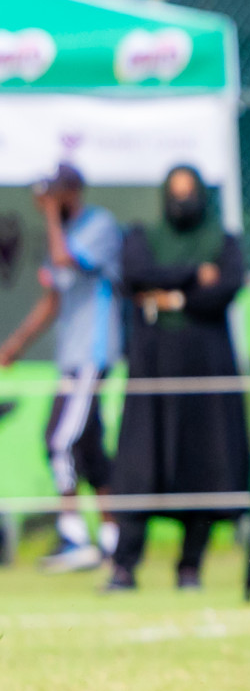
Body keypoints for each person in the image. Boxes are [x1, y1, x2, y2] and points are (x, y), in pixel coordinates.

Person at [105, 166, 249, 591]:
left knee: (202, 464)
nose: (182, 202)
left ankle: (190, 567)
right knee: (139, 465)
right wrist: (191, 277)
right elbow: (133, 275)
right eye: (176, 193)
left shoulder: (222, 242)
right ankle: (124, 566)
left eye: (190, 194)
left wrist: (168, 293)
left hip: (205, 368)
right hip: (152, 369)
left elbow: (225, 288)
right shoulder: (141, 237)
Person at [0, 164, 122, 572]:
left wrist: (52, 214)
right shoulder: (65, 232)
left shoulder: (97, 226)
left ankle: (73, 535)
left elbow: (62, 259)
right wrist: (14, 345)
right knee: (88, 448)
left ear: (71, 193)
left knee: (59, 440)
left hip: (93, 352)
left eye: (53, 196)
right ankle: (112, 538)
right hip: (70, 356)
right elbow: (51, 299)